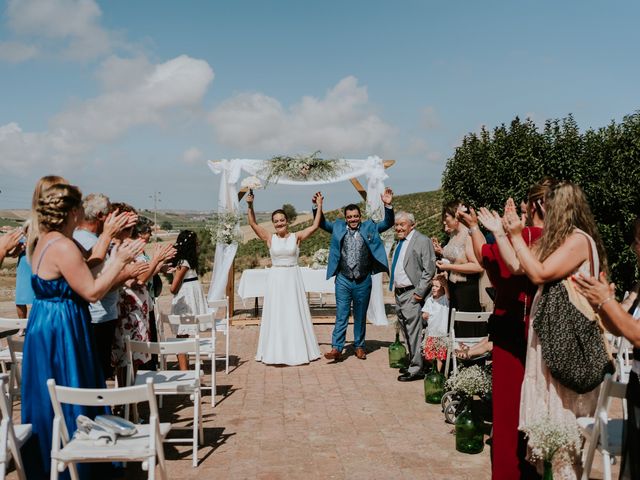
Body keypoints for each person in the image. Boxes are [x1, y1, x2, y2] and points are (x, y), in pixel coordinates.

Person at [21, 183, 143, 479]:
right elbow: (91, 291)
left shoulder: (44, 241)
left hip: (45, 322)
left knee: (52, 394)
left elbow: (83, 270)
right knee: (72, 388)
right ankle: (82, 466)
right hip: (61, 327)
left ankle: (52, 461)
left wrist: (108, 244)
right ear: (73, 211)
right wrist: (120, 262)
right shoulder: (63, 245)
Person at [503, 181, 608, 479]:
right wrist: (505, 233)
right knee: (554, 424)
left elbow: (539, 274)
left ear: (559, 207)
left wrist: (514, 235)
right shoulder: (562, 240)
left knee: (565, 425)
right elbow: (519, 265)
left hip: (568, 343)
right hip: (554, 340)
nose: (540, 211)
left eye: (543, 206)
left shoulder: (578, 240)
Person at [459, 180, 553, 480]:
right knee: (541, 409)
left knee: (509, 412)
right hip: (546, 334)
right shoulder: (560, 240)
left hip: (512, 330)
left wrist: (477, 228)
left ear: (534, 206)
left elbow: (488, 260)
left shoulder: (523, 238)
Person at [573, 216, 640, 480]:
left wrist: (607, 301)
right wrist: (600, 305)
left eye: (638, 241)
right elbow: (621, 327)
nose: (634, 247)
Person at [314, 188, 395, 362]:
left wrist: (388, 206)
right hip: (343, 279)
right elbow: (321, 223)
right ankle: (336, 348)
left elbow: (387, 223)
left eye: (355, 216)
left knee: (360, 315)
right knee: (341, 314)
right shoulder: (337, 227)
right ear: (345, 218)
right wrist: (317, 206)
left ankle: (359, 346)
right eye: (349, 217)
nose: (353, 219)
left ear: (360, 216)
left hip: (363, 279)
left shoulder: (370, 227)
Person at [246, 192, 324, 365]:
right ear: (273, 224)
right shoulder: (269, 238)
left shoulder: (296, 237)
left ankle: (298, 350)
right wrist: (250, 205)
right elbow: (252, 223)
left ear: (287, 221)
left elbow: (315, 225)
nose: (279, 223)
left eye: (282, 220)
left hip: (292, 279)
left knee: (293, 311)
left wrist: (319, 205)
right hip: (276, 280)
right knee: (277, 313)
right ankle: (275, 351)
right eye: (276, 221)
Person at [73, 193, 138, 379]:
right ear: (101, 215)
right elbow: (97, 287)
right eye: (109, 213)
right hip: (97, 318)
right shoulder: (91, 242)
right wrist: (127, 272)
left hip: (100, 315)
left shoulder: (86, 239)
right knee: (97, 372)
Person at [390, 211, 436, 381]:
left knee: (414, 331)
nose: (399, 228)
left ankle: (417, 368)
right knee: (406, 330)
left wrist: (419, 293)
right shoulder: (400, 242)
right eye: (397, 225)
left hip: (412, 292)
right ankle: (413, 362)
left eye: (402, 224)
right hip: (400, 293)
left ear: (412, 225)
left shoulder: (422, 240)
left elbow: (429, 269)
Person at [435, 200, 485, 337]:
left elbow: (477, 266)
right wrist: (441, 253)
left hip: (467, 288)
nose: (444, 222)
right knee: (454, 328)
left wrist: (448, 266)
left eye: (446, 218)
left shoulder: (468, 236)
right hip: (454, 287)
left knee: (466, 328)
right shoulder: (454, 235)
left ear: (457, 217)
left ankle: (469, 357)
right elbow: (456, 255)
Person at [170, 229, 208, 370]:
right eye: (196, 242)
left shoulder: (184, 262)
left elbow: (173, 288)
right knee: (182, 334)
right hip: (187, 298)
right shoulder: (186, 262)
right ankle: (184, 368)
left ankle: (184, 368)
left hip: (186, 297)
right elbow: (174, 287)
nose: (198, 244)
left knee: (182, 334)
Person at [421, 274, 449, 373]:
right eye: (433, 286)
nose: (433, 288)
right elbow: (424, 313)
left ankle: (437, 372)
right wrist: (424, 314)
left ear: (442, 289)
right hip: (431, 333)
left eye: (436, 286)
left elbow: (448, 294)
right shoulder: (429, 300)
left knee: (439, 357)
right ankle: (432, 368)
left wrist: (445, 285)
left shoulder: (445, 300)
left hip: (441, 334)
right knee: (429, 356)